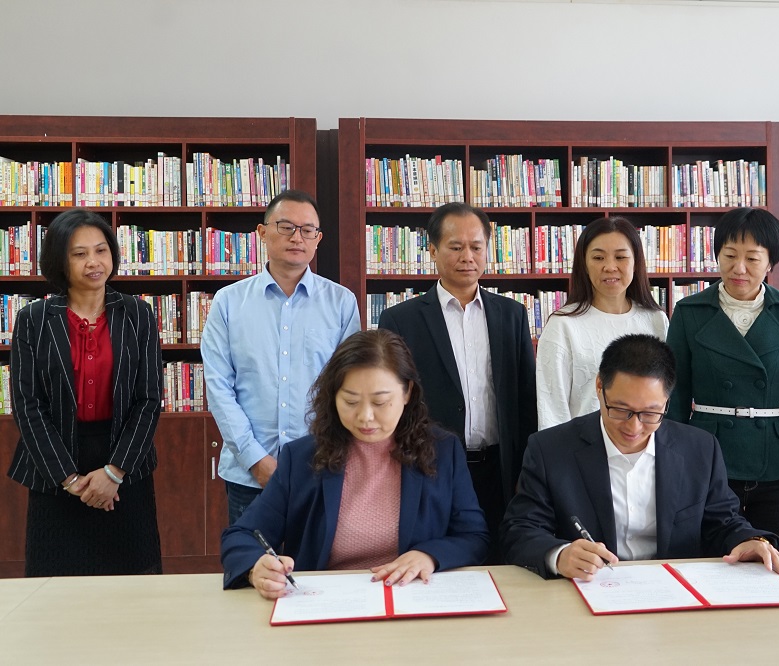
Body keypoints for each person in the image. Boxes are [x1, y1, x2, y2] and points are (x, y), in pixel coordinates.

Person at [500, 333, 779, 582]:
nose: (634, 427)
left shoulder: (700, 449)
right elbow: (520, 530)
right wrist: (560, 554)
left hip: (673, 591)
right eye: (620, 410)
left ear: (667, 401)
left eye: (650, 413)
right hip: (591, 589)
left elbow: (723, 522)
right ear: (600, 387)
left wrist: (750, 541)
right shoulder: (550, 449)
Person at [221, 329, 489, 597]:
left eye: (380, 402)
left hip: (411, 598)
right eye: (350, 401)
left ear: (407, 392)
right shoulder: (302, 457)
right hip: (325, 602)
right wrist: (256, 568)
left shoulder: (442, 451)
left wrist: (429, 556)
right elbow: (241, 535)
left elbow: (474, 537)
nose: (365, 417)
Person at [8, 209, 162, 576]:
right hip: (55, 469)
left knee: (134, 586)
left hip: (124, 466)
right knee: (55, 588)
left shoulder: (138, 314)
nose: (93, 262)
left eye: (101, 250)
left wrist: (113, 473)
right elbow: (27, 406)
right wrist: (71, 480)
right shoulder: (33, 320)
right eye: (79, 254)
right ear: (60, 261)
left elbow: (149, 399)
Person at [377, 202, 536, 559]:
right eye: (455, 246)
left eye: (476, 247)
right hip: (431, 466)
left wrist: (526, 468)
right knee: (442, 560)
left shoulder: (511, 315)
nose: (468, 256)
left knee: (504, 560)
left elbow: (525, 397)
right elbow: (392, 401)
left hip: (499, 468)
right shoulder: (400, 319)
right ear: (433, 250)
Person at [666, 208, 779, 553]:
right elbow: (675, 398)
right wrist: (673, 465)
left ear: (770, 263)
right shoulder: (689, 312)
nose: (739, 268)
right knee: (711, 561)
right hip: (709, 457)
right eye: (730, 255)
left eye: (752, 258)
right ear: (717, 255)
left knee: (774, 560)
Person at [202, 190, 361, 525]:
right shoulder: (228, 302)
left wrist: (329, 454)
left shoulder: (342, 303)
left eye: (307, 230)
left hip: (321, 468)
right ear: (262, 232)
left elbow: (351, 387)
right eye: (286, 227)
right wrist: (255, 459)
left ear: (318, 239)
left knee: (319, 558)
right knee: (252, 556)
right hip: (248, 474)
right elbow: (218, 388)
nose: (297, 237)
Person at [535, 216, 668, 430]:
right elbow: (551, 408)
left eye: (620, 257)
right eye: (598, 258)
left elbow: (663, 396)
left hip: (643, 442)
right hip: (582, 445)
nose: (610, 267)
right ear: (585, 265)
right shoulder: (563, 325)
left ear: (636, 262)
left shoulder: (655, 320)